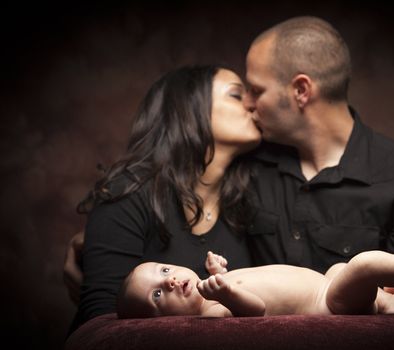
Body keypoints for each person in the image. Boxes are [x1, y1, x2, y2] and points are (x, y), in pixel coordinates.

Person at [65, 15, 394, 324]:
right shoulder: (247, 173)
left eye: (254, 91)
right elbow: (108, 313)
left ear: (301, 91)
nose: (251, 105)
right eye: (240, 93)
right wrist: (100, 254)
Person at [66, 65, 261, 334]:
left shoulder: (251, 194)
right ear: (191, 110)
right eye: (236, 95)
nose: (253, 104)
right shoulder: (130, 193)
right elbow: (100, 322)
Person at [116, 231, 394, 319]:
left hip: (326, 283)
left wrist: (221, 274)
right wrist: (226, 292)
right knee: (363, 266)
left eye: (163, 270)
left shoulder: (211, 290)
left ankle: (391, 300)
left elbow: (244, 281)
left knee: (341, 270)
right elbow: (255, 310)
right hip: (327, 303)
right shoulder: (211, 311)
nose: (170, 280)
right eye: (158, 295)